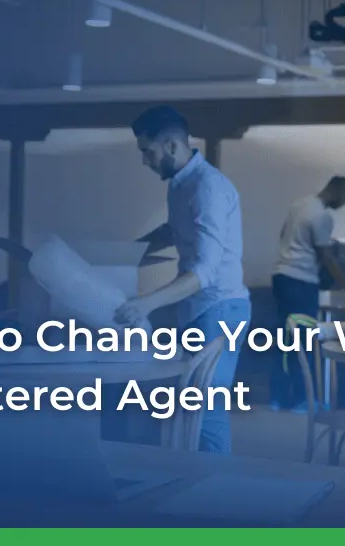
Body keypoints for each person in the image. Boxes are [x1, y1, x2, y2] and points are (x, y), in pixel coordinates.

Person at [115, 105, 251, 454]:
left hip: (221, 307)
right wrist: (127, 252)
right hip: (197, 308)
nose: (144, 161)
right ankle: (195, 486)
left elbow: (205, 271)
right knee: (191, 406)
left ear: (172, 145)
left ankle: (216, 496)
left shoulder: (208, 187)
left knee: (206, 412)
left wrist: (145, 303)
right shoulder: (180, 185)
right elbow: (175, 230)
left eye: (148, 152)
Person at [268, 176, 345, 412]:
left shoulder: (299, 205)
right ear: (336, 190)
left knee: (285, 340)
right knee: (305, 341)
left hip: (281, 276)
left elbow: (282, 235)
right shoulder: (323, 216)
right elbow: (325, 256)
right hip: (301, 281)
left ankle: (277, 399)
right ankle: (301, 400)